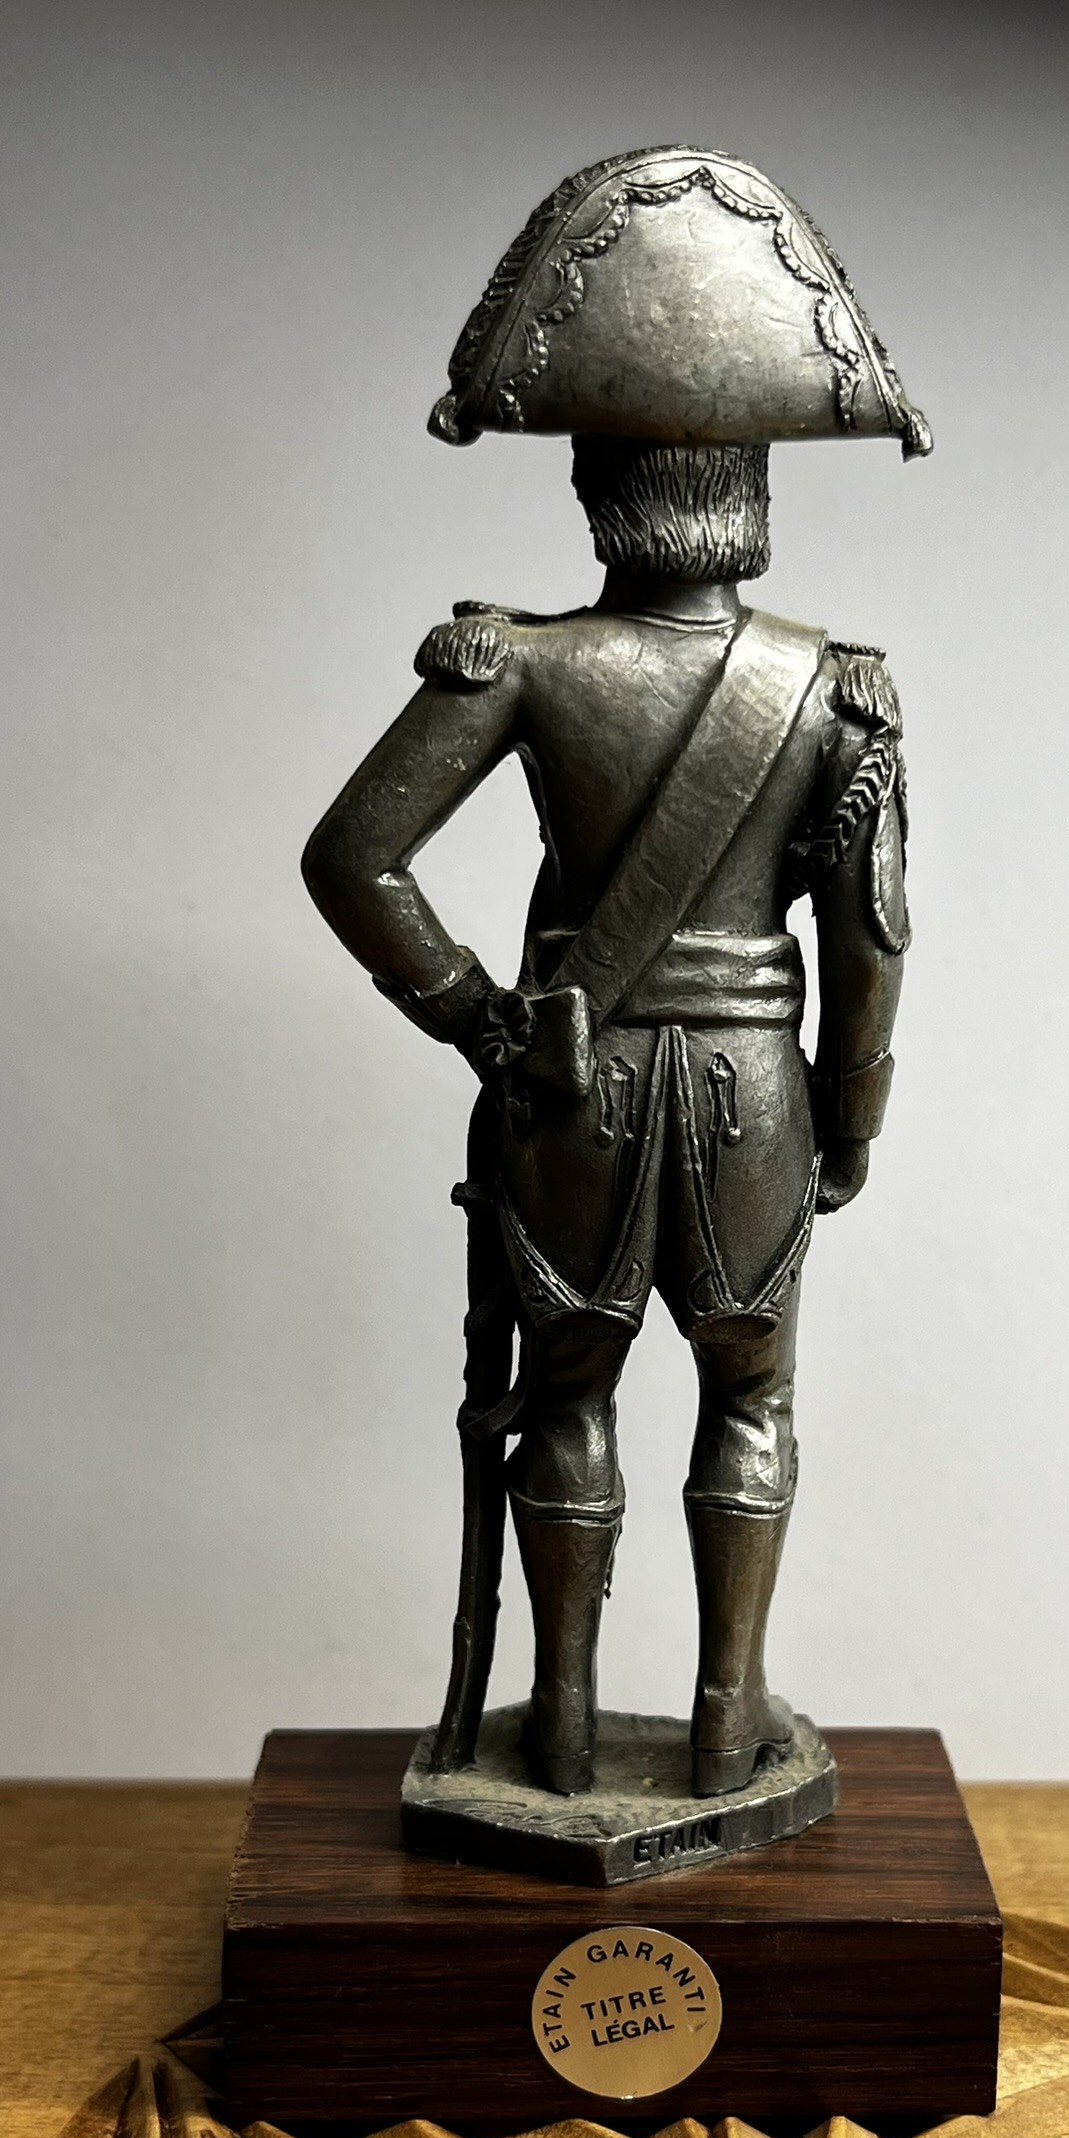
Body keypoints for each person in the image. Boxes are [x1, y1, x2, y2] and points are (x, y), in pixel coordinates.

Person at [302, 150, 927, 1803]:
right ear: (754, 499)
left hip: (570, 1079)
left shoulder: (517, 666)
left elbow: (355, 859)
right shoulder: (841, 692)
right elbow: (867, 936)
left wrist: (480, 1021)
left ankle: (565, 1724)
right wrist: (853, 1119)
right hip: (753, 1089)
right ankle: (727, 1716)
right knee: (750, 1391)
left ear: (594, 493)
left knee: (564, 1393)